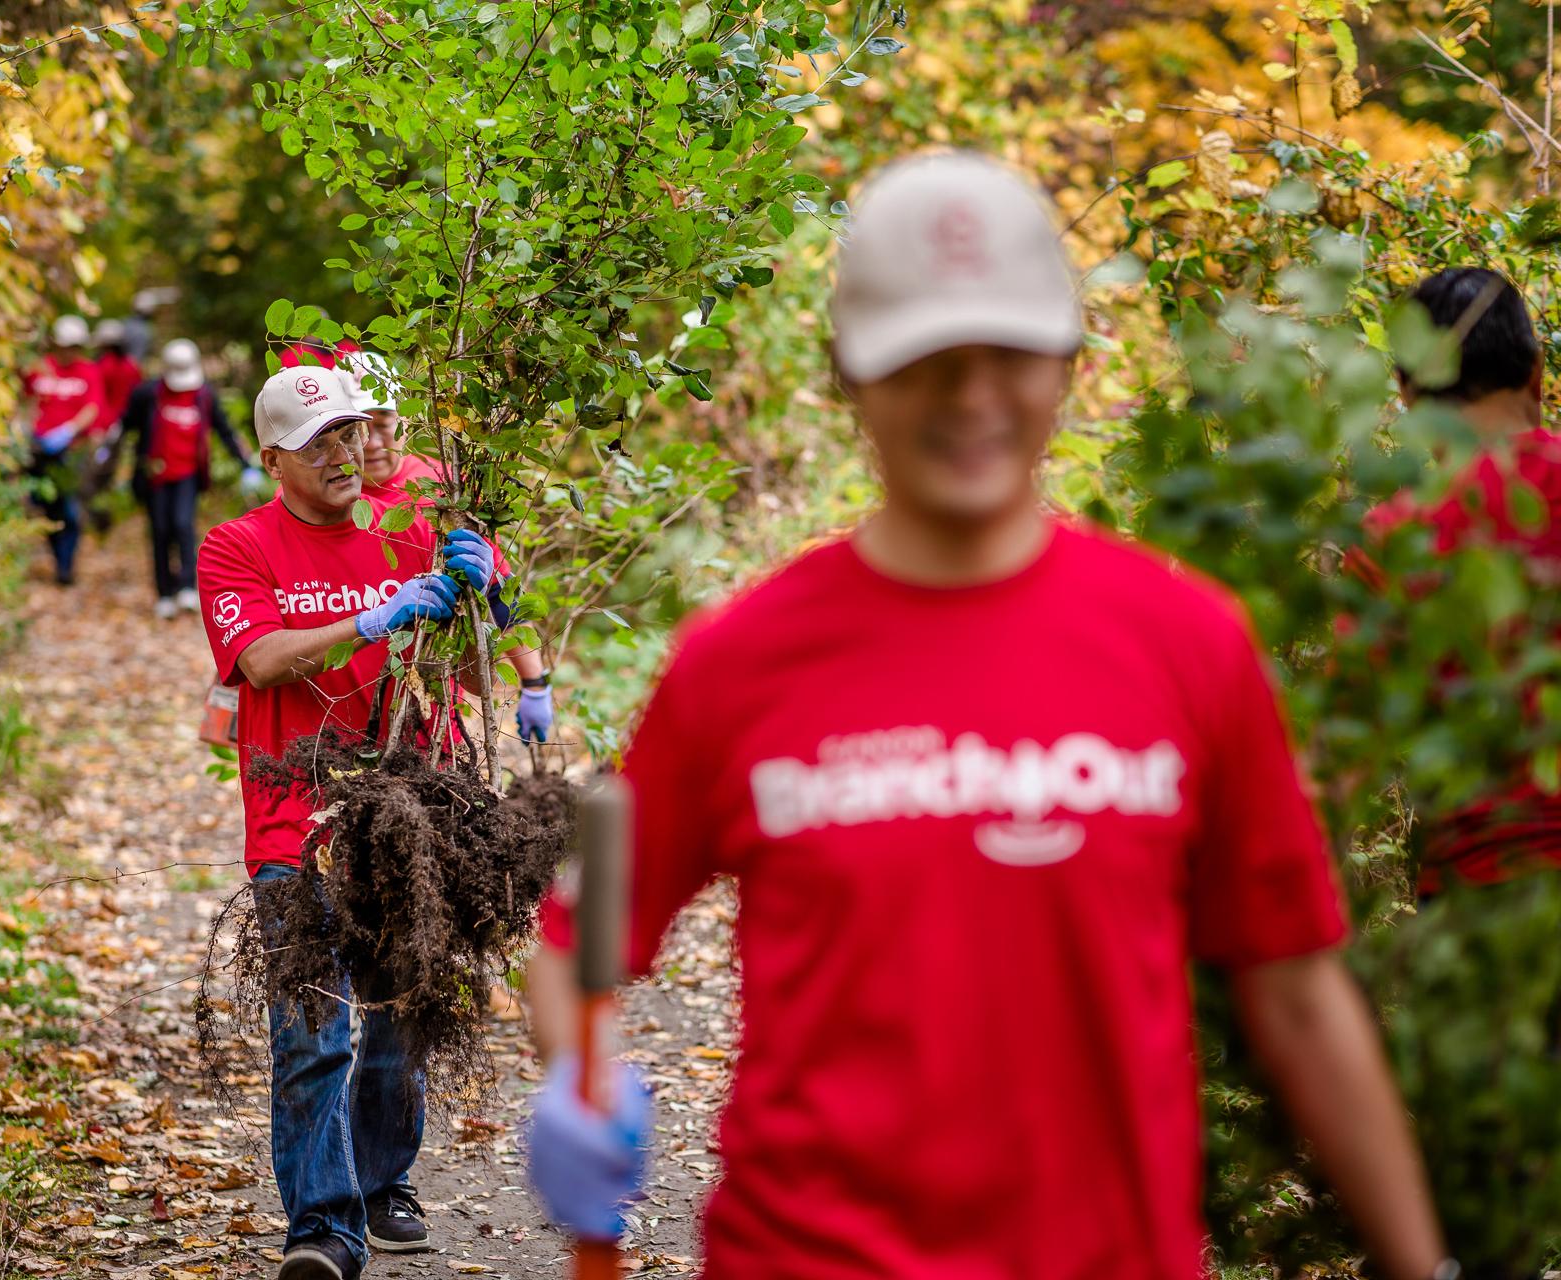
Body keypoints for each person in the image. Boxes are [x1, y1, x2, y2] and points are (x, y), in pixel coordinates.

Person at [521, 153, 1450, 1278]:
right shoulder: (739, 662)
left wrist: (1420, 1260)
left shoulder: (1186, 640)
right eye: (924, 362)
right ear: (848, 375)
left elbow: (1297, 987)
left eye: (1006, 355)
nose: (970, 398)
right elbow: (580, 947)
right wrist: (585, 1080)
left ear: (1065, 363)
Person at [197, 365, 510, 1280]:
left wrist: (480, 599)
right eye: (315, 443)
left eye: (347, 434)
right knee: (312, 1031)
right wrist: (375, 619)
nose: (340, 455)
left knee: (401, 1018)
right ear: (271, 459)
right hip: (295, 818)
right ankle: (324, 1231)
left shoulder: (411, 532)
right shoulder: (236, 545)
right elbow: (257, 661)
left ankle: (382, 1183)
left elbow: (477, 681)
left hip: (408, 813)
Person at [1352, 267, 1561, 890]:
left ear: (1408, 395)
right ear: (1536, 373)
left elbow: (1353, 743)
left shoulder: (1393, 536)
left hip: (1475, 895)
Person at [350, 356, 556, 745]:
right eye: (357, 430)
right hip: (338, 702)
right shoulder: (319, 497)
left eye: (382, 425)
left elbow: (501, 594)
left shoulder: (442, 486)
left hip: (432, 715)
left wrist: (535, 684)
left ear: (404, 422)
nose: (373, 443)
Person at [123, 339, 262, 619]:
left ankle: (187, 586)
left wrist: (246, 464)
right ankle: (164, 593)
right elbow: (126, 425)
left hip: (188, 474)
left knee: (183, 525)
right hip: (155, 475)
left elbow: (225, 431)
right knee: (160, 531)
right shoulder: (148, 393)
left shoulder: (203, 396)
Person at [22, 314, 105, 585]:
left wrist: (69, 430)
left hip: (71, 451)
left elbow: (92, 408)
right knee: (48, 509)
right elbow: (24, 399)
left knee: (69, 510)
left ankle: (66, 565)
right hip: (40, 450)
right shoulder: (40, 368)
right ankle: (58, 557)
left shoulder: (88, 371)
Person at [84, 318, 145, 534]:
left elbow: (98, 399)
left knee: (95, 477)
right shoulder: (132, 366)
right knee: (111, 474)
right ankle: (106, 517)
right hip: (124, 428)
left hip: (105, 428)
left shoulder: (101, 367)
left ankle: (100, 521)